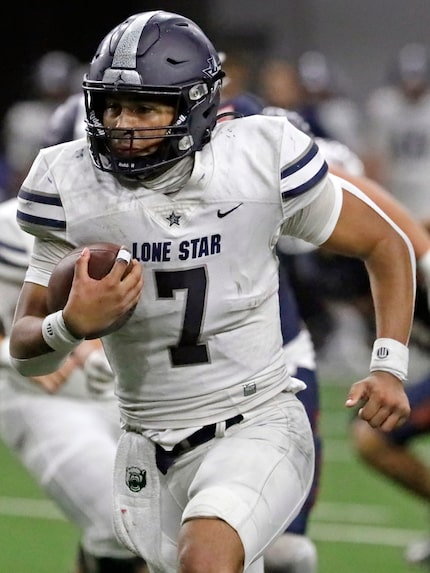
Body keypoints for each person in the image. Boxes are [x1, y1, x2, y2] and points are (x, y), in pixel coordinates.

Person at [9, 10, 415, 573]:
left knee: (210, 558)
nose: (123, 123)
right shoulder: (67, 182)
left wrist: (389, 363)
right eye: (111, 105)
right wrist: (71, 325)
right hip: (146, 441)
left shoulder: (256, 156)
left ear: (194, 106)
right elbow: (26, 350)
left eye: (145, 107)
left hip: (257, 420)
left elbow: (388, 243)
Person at [0, 196, 148, 573]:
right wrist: (9, 351)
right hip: (38, 399)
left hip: (120, 392)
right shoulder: (8, 226)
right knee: (119, 525)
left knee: (165, 522)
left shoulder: (119, 221)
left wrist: (91, 344)